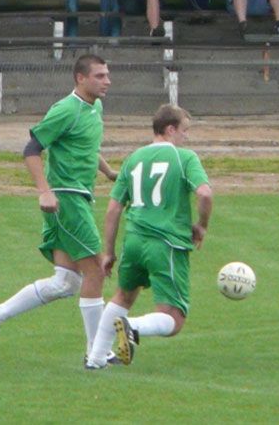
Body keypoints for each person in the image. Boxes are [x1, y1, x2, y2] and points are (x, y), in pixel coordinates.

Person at [0, 54, 118, 362]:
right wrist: (44, 191)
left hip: (78, 198)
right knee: (95, 270)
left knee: (66, 282)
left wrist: (108, 172)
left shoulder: (95, 107)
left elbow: (85, 146)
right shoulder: (65, 109)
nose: (107, 81)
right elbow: (32, 149)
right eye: (100, 76)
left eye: (107, 75)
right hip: (66, 201)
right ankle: (97, 353)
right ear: (80, 78)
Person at [84, 104, 212, 370]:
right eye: (185, 130)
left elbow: (113, 209)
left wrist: (109, 252)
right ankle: (133, 327)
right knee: (174, 318)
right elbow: (204, 193)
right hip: (166, 243)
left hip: (134, 241)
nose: (186, 137)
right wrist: (201, 226)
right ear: (170, 129)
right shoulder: (185, 158)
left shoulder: (133, 159)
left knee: (123, 296)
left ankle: (95, 359)